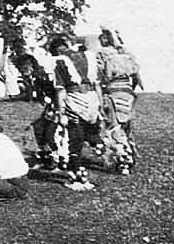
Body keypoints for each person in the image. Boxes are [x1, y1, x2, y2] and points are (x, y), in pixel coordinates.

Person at [47, 35, 103, 190]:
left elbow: (60, 90)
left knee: (75, 139)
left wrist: (60, 111)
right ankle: (99, 145)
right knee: (89, 131)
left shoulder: (58, 61)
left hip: (75, 100)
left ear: (54, 51)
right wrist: (100, 106)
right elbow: (97, 85)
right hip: (92, 99)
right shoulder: (88, 56)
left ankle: (75, 174)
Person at [96, 28, 140, 174]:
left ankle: (123, 159)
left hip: (113, 91)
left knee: (113, 126)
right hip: (127, 92)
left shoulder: (102, 54)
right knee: (125, 125)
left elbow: (101, 75)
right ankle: (128, 155)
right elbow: (135, 74)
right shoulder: (125, 54)